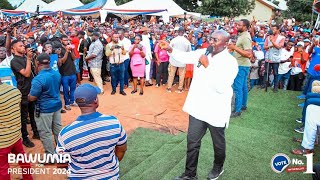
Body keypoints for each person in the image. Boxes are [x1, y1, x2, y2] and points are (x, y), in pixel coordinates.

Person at [160, 30, 238, 180]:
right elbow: (185, 56)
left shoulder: (230, 62)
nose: (212, 42)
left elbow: (221, 87)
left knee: (218, 143)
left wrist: (208, 66)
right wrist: (170, 49)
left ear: (226, 44)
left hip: (216, 110)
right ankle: (190, 175)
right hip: (198, 107)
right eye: (211, 39)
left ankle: (218, 167)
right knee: (192, 142)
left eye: (216, 40)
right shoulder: (204, 52)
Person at [56, 84, 127, 179]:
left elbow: (61, 164)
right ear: (95, 100)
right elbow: (121, 150)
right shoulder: (113, 122)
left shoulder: (65, 134)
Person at [28, 53, 62, 156]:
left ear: (37, 63)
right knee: (58, 130)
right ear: (49, 62)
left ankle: (50, 155)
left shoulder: (38, 79)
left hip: (44, 109)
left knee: (45, 133)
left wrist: (28, 96)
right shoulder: (56, 73)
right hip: (56, 106)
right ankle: (62, 153)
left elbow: (32, 97)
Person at [0, 80, 33, 180]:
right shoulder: (15, 91)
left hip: (2, 142)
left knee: (3, 169)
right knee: (22, 159)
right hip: (16, 136)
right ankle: (28, 178)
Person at [10, 40, 39, 148]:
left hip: (32, 90)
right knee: (23, 116)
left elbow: (34, 71)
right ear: (14, 49)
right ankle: (25, 138)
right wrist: (28, 58)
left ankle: (36, 133)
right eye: (20, 46)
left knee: (33, 113)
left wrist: (33, 59)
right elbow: (26, 74)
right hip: (23, 92)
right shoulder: (15, 61)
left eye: (23, 45)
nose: (23, 47)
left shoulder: (25, 58)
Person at [228, 19, 253, 118]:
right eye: (237, 24)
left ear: (245, 27)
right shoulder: (243, 35)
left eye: (239, 25)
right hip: (243, 65)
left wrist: (234, 48)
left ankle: (237, 110)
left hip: (241, 65)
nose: (237, 26)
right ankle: (243, 105)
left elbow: (249, 54)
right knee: (243, 87)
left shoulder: (245, 37)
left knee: (238, 88)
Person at [167, 27, 192, 93]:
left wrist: (170, 56)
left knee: (171, 74)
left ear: (178, 32)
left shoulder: (174, 40)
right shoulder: (187, 41)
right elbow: (189, 52)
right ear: (184, 32)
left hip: (173, 59)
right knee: (182, 75)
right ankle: (180, 89)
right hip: (182, 60)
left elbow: (169, 49)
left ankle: (169, 88)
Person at [263, 24, 285, 92]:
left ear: (278, 30)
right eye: (272, 29)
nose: (273, 30)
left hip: (276, 58)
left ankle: (275, 87)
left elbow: (279, 47)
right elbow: (264, 47)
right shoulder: (268, 37)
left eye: (274, 29)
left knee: (275, 73)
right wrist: (272, 45)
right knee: (266, 72)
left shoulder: (282, 38)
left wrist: (272, 42)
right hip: (268, 57)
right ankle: (264, 85)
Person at [58, 35, 77, 111]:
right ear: (61, 40)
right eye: (65, 40)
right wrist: (66, 51)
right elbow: (62, 61)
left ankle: (72, 101)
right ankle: (67, 104)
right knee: (66, 90)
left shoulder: (70, 47)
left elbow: (74, 58)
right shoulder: (59, 50)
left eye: (67, 40)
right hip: (64, 73)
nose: (66, 41)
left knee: (73, 88)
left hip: (72, 71)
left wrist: (71, 50)